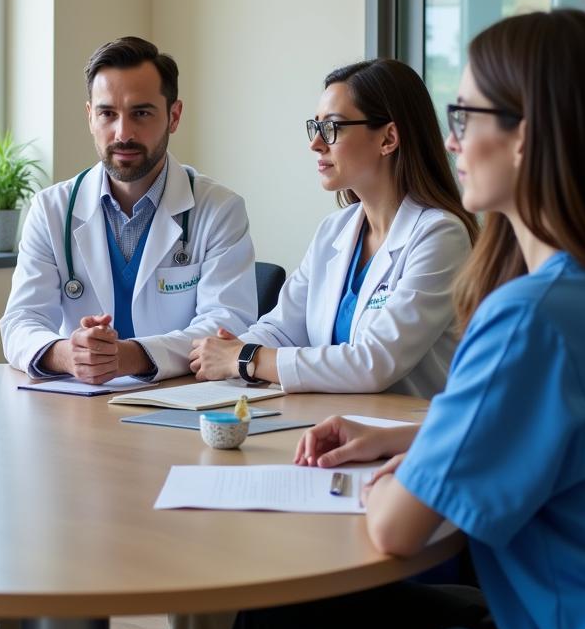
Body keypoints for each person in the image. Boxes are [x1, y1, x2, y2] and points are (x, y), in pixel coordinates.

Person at [196, 8, 585, 629]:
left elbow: (398, 525)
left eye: (466, 114)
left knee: (276, 627)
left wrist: (401, 476)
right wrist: (417, 439)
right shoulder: (567, 297)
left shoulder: (525, 314)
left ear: (527, 133)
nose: (452, 139)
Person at [0, 36, 258, 629]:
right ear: (88, 116)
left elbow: (228, 325)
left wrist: (131, 355)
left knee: (208, 553)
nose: (124, 132)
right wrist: (64, 352)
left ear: (174, 115)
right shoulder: (54, 209)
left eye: (142, 113)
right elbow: (18, 322)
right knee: (14, 543)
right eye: (108, 113)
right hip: (69, 432)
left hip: (180, 425)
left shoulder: (217, 209)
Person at [189, 58, 477, 397]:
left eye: (333, 128)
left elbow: (373, 363)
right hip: (329, 423)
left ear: (388, 138)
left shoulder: (440, 235)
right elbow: (281, 330)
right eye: (316, 127)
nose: (316, 144)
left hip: (402, 437)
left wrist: (245, 358)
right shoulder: (334, 231)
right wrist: (232, 349)